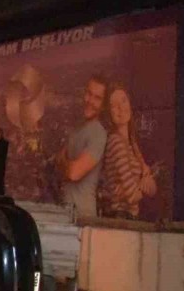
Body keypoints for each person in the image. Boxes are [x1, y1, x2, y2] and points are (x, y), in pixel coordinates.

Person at [98, 83, 157, 219]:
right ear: (109, 113)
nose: (121, 108)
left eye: (124, 101)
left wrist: (145, 182)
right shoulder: (116, 143)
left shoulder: (131, 144)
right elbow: (132, 196)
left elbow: (152, 188)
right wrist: (145, 182)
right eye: (114, 105)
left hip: (129, 218)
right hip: (120, 218)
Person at [56, 74, 109, 218]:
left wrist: (65, 164)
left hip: (83, 217)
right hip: (67, 213)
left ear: (103, 106)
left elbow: (73, 173)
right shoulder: (77, 129)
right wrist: (66, 165)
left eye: (97, 98)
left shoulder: (98, 133)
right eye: (89, 93)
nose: (90, 101)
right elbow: (58, 161)